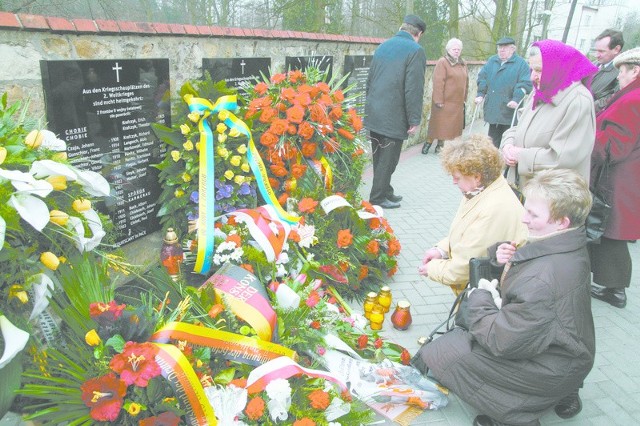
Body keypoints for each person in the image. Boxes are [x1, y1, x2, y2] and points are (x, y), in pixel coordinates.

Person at [413, 169, 595, 426]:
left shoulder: (544, 278)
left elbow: (502, 340)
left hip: (551, 367)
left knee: (445, 353)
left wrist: (480, 295)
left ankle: (515, 417)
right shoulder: (568, 243)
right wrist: (501, 262)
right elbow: (531, 282)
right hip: (568, 356)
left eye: (533, 214)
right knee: (461, 341)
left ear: (561, 221)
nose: (524, 218)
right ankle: (555, 395)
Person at [418, 134, 527, 295]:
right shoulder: (479, 190)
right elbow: (466, 232)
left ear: (477, 176)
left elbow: (463, 267)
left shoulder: (494, 209)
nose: (454, 182)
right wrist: (441, 250)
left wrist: (432, 268)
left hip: (488, 293)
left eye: (457, 177)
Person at [501, 39, 597, 189]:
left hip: (552, 199)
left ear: (557, 67)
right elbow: (519, 127)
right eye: (531, 69)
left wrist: (521, 155)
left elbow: (564, 158)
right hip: (524, 187)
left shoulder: (578, 101)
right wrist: (507, 146)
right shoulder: (542, 89)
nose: (532, 77)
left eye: (539, 70)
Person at [589, 47, 640, 309]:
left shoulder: (633, 99)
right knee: (611, 234)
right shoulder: (631, 97)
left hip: (618, 179)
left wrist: (587, 135)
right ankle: (610, 285)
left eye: (621, 71)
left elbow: (614, 147)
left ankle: (615, 290)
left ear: (635, 71)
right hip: (624, 178)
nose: (618, 76)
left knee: (611, 234)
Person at [365, 14, 427, 209]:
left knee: (380, 157)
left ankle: (385, 190)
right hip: (394, 116)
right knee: (389, 159)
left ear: (402, 28)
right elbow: (413, 88)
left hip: (375, 112)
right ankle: (377, 198)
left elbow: (370, 80)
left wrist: (370, 107)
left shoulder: (383, 46)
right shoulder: (415, 50)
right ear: (419, 34)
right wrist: (414, 119)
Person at [474, 37, 532, 148]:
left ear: (512, 49)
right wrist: (480, 94)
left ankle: (506, 163)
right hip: (493, 109)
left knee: (509, 142)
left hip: (509, 110)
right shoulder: (492, 61)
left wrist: (516, 99)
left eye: (504, 48)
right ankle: (491, 163)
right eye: (500, 47)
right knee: (492, 142)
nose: (501, 50)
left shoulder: (521, 64)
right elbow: (483, 78)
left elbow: (525, 84)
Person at [422, 38, 469, 155]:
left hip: (456, 102)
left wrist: (464, 98)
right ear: (448, 49)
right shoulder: (443, 62)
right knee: (438, 125)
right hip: (444, 101)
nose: (457, 51)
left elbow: (466, 82)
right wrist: (438, 100)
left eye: (458, 49)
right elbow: (438, 81)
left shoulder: (463, 63)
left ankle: (440, 146)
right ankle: (427, 144)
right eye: (454, 49)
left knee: (449, 128)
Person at [591, 29, 624, 113]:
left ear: (616, 49)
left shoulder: (622, 72)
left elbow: (613, 98)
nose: (596, 55)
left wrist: (584, 106)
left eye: (601, 51)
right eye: (596, 50)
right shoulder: (592, 64)